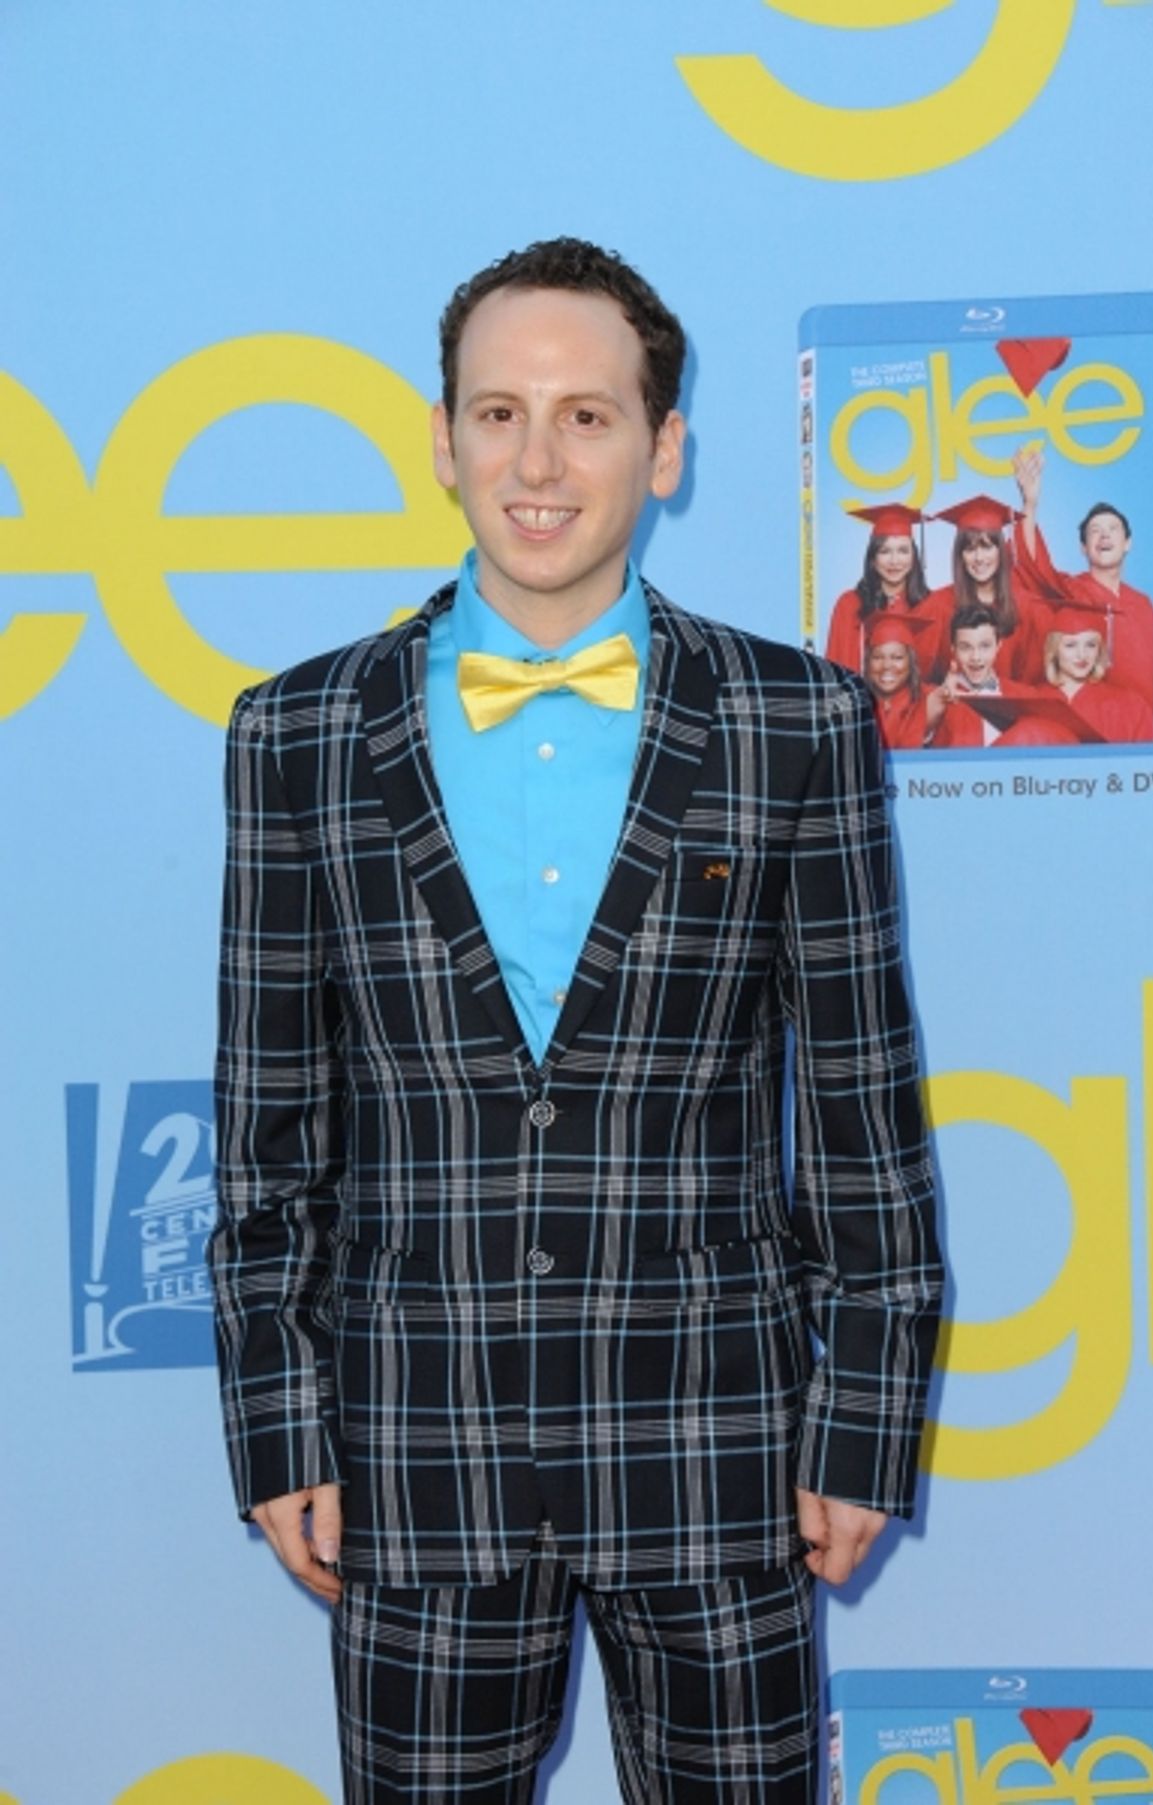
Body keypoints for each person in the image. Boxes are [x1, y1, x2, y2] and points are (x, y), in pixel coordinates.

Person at [208, 238, 943, 1805]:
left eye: (588, 417)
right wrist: (278, 1423)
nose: (536, 463)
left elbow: (864, 1111)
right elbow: (267, 1129)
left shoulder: (796, 722)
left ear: (663, 447)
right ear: (442, 438)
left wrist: (864, 1424)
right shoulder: (296, 733)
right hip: (414, 1452)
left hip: (724, 1447)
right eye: (497, 413)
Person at [1012, 444, 1153, 718]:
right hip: (1095, 716)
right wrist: (1029, 504)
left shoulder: (1144, 605)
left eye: (1113, 530)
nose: (1104, 536)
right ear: (1083, 548)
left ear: (1127, 543)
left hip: (1144, 720)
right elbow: (1035, 566)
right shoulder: (1071, 589)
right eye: (1095, 531)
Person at [824, 502, 948, 681]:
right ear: (873, 558)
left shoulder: (932, 608)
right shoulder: (850, 604)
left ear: (914, 557)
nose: (894, 561)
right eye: (885, 551)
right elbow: (834, 670)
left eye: (903, 551)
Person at [926, 495, 1042, 684]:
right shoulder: (938, 605)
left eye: (987, 547)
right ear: (960, 556)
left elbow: (1033, 679)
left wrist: (1030, 503)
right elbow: (923, 678)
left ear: (1001, 551)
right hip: (955, 710)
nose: (979, 558)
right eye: (970, 549)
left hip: (1011, 710)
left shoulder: (1025, 605)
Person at [1041, 595, 1153, 743]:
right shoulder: (1036, 702)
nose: (1082, 655)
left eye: (1091, 645)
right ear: (1054, 650)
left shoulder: (1131, 706)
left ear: (1099, 650)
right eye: (1070, 645)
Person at [929, 606, 1040, 750]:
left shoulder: (1025, 697)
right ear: (953, 649)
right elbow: (915, 737)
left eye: (984, 646)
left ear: (998, 646)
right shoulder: (938, 699)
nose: (976, 657)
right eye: (965, 647)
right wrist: (938, 702)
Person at [862, 612, 939, 750]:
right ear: (868, 662)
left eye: (897, 657)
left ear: (911, 662)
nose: (886, 666)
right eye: (878, 657)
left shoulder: (929, 700)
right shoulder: (855, 705)